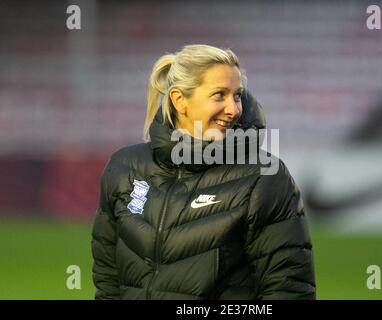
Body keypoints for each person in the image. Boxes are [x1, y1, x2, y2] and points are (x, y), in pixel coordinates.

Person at [91, 44, 316, 300]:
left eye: (238, 95)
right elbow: (107, 281)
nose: (234, 109)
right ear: (179, 100)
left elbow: (289, 291)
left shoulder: (264, 179)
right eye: (220, 95)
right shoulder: (124, 168)